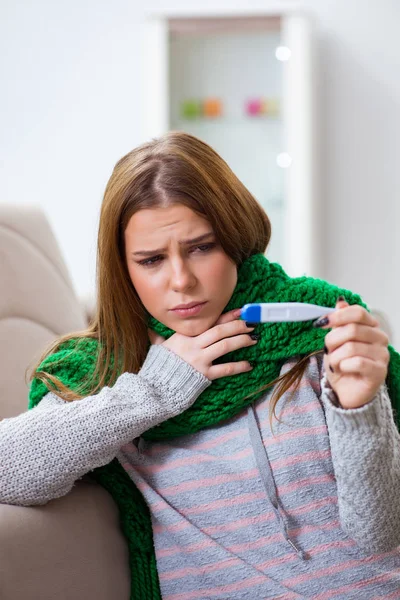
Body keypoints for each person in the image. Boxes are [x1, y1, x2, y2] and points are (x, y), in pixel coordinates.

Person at [1, 131, 400, 600]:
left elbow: (379, 534)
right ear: (122, 269)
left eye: (201, 247)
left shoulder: (318, 331)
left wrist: (359, 408)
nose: (182, 281)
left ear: (235, 237)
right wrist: (157, 390)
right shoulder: (103, 372)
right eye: (151, 260)